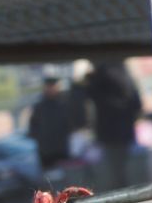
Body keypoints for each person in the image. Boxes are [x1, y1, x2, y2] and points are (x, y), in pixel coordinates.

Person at [82, 60, 143, 190]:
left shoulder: (99, 77)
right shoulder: (124, 73)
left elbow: (88, 93)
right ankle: (128, 188)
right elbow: (136, 103)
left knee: (114, 165)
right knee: (124, 162)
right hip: (125, 128)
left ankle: (120, 190)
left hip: (108, 131)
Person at [27, 72, 74, 173]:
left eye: (53, 86)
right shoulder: (39, 106)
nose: (51, 89)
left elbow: (70, 125)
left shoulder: (64, 103)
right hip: (46, 151)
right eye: (49, 86)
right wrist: (41, 138)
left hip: (62, 149)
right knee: (49, 179)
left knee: (65, 178)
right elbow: (33, 127)